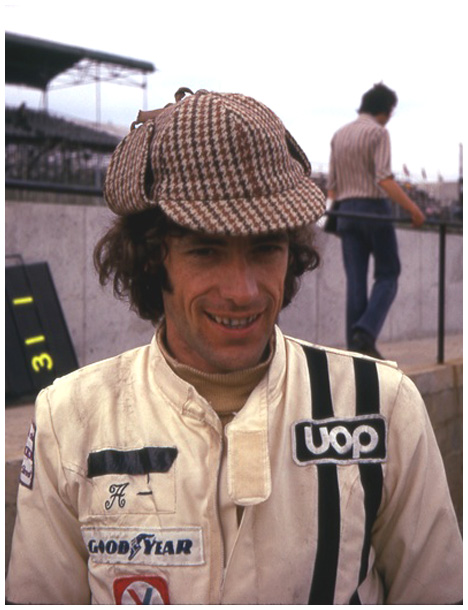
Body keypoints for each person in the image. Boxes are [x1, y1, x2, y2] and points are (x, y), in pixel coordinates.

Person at [6, 89, 461, 605]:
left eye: (266, 248)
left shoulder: (383, 405)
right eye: (206, 250)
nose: (243, 291)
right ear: (153, 262)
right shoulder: (69, 419)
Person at [327, 83, 426, 359]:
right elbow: (383, 178)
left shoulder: (339, 135)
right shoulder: (378, 132)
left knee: (355, 281)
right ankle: (366, 332)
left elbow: (332, 187)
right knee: (388, 273)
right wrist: (413, 210)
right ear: (385, 110)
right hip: (374, 209)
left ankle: (356, 351)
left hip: (346, 212)